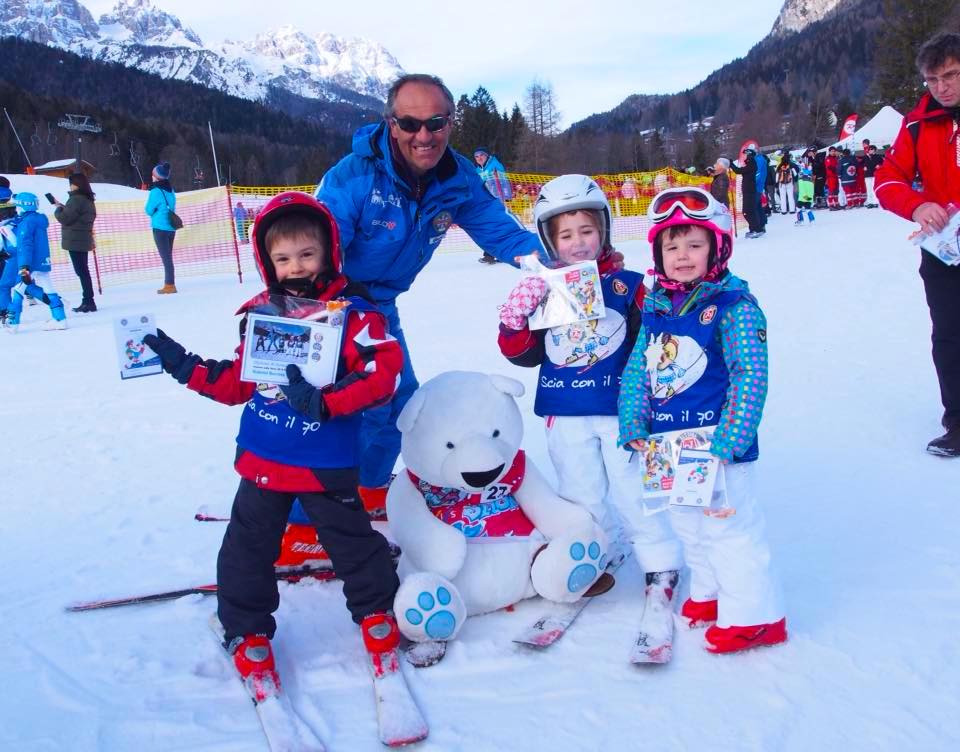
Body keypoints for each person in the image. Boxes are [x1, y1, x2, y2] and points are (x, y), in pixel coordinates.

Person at [142, 192, 405, 697]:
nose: (295, 267)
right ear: (268, 262)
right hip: (265, 460)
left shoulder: (356, 315)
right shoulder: (264, 315)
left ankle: (375, 610)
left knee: (351, 541)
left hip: (325, 462)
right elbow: (236, 383)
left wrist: (328, 402)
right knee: (247, 548)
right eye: (282, 258)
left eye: (307, 255)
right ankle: (247, 628)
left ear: (328, 253)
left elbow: (383, 375)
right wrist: (183, 364)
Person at [315, 73, 543, 511]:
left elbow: (504, 236)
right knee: (340, 409)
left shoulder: (457, 178)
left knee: (399, 405)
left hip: (381, 306)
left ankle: (367, 492)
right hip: (335, 305)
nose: (424, 135)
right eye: (410, 124)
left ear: (451, 123)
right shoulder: (354, 177)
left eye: (435, 123)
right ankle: (307, 518)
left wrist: (567, 264)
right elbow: (319, 254)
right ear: (390, 123)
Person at [496, 174, 683, 611]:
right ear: (549, 239)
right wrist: (515, 322)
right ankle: (593, 553)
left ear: (604, 230)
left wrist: (660, 301)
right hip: (565, 409)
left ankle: (660, 561)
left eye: (587, 231)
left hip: (623, 411)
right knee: (579, 491)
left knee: (634, 486)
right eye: (565, 235)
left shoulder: (627, 284)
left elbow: (657, 344)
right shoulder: (545, 291)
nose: (578, 243)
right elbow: (524, 355)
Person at [617, 186, 786, 654]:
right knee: (688, 524)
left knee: (728, 530)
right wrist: (633, 421)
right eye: (671, 246)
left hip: (716, 441)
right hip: (669, 445)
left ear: (718, 247)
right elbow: (639, 369)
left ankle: (755, 616)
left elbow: (750, 372)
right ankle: (710, 594)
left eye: (694, 244)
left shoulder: (734, 306)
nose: (682, 255)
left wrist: (733, 437)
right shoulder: (656, 307)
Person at [875, 31, 960, 456]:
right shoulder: (916, 124)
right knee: (949, 335)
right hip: (944, 252)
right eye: (932, 80)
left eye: (950, 76)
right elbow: (887, 179)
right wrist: (917, 206)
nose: (941, 87)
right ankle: (958, 421)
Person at [5, 192, 68, 333]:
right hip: (42, 262)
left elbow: (25, 245)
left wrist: (24, 266)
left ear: (23, 206)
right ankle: (60, 318)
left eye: (17, 205)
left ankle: (13, 322)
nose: (16, 208)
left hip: (30, 263)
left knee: (17, 289)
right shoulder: (37, 220)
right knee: (49, 289)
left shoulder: (26, 223)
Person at [53, 172, 98, 313]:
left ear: (76, 185)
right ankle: (88, 300)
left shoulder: (76, 200)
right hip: (83, 239)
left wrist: (58, 209)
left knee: (82, 272)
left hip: (75, 240)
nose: (70, 186)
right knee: (84, 271)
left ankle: (88, 301)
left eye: (71, 184)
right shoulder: (87, 199)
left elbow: (65, 218)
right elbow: (75, 215)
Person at [473, 146, 513, 264]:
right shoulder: (478, 170)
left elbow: (502, 182)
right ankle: (491, 254)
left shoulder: (494, 166)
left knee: (496, 227)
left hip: (496, 201)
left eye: (481, 155)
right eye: (476, 156)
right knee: (489, 228)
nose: (479, 158)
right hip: (485, 203)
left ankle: (496, 254)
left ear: (487, 156)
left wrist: (504, 198)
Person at [144, 161, 178, 294]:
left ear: (156, 177)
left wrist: (155, 211)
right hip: (171, 228)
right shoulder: (171, 190)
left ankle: (170, 285)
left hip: (159, 228)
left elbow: (148, 210)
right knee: (168, 257)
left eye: (153, 175)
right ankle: (170, 283)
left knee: (166, 258)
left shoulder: (155, 191)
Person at [730, 148, 765, 238]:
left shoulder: (752, 163)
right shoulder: (750, 164)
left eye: (746, 155)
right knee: (748, 211)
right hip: (748, 191)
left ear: (749, 155)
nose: (745, 157)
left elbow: (738, 171)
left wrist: (731, 164)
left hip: (750, 192)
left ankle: (757, 229)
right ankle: (754, 229)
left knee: (748, 211)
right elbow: (741, 170)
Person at [0, 180, 18, 328]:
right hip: (11, 244)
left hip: (3, 241)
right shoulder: (10, 198)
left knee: (3, 284)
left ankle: (4, 309)